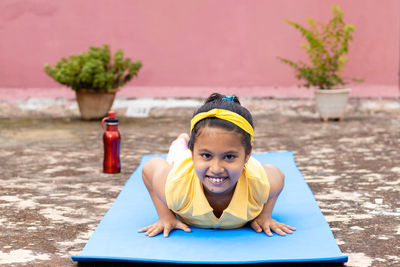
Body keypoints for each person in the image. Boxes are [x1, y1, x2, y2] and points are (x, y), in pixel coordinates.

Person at [139, 93, 296, 237]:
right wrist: (166, 216)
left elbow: (278, 175)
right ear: (193, 153)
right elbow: (150, 168)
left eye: (229, 157)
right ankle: (182, 140)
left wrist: (265, 215)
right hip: (183, 159)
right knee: (176, 152)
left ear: (247, 154)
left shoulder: (258, 184)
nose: (216, 169)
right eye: (206, 155)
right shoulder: (176, 186)